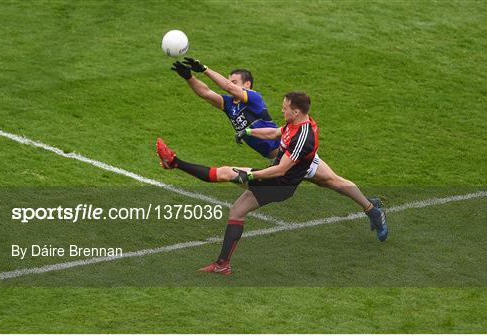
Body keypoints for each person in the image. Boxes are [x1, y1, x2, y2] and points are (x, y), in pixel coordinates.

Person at [156, 92, 388, 275]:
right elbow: (275, 132)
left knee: (227, 174)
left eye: (285, 107)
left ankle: (174, 162)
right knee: (237, 208)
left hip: (279, 183)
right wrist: (248, 131)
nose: (281, 109)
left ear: (295, 111)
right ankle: (222, 264)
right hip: (278, 178)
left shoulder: (302, 138)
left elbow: (281, 169)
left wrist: (252, 176)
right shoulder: (295, 124)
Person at [171, 58, 388, 242]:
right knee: (330, 181)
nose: (230, 84)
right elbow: (207, 93)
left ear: (247, 84)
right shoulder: (230, 105)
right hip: (280, 158)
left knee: (332, 181)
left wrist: (205, 69)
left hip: (292, 153)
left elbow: (227, 88)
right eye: (229, 80)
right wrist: (189, 77)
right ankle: (371, 206)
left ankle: (372, 209)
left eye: (235, 81)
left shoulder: (253, 98)